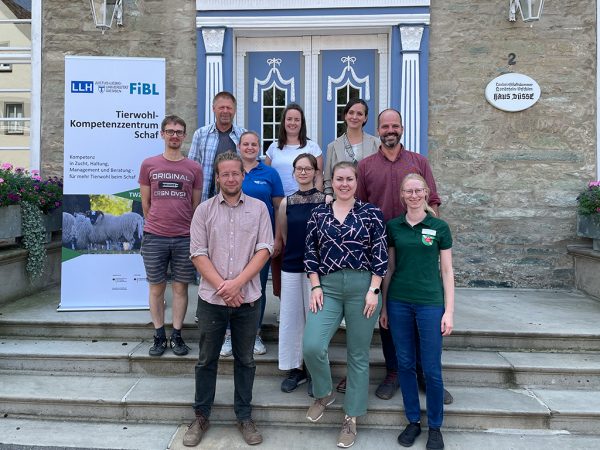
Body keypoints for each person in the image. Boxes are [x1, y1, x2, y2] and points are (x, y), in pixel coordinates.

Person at [356, 108, 453, 405]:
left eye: (394, 125)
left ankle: (425, 373)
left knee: (423, 312)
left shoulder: (418, 162)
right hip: (381, 248)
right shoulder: (365, 165)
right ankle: (394, 371)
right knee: (389, 312)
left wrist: (429, 234)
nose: (390, 130)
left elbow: (433, 202)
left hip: (417, 248)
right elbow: (359, 206)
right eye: (385, 126)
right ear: (378, 129)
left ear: (402, 128)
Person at [183, 151, 273, 447]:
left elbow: (264, 249)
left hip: (248, 300)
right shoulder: (203, 211)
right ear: (218, 177)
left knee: (245, 360)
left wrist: (238, 284)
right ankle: (200, 416)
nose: (231, 178)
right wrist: (225, 286)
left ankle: (244, 416)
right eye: (225, 174)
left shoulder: (259, 209)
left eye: (236, 173)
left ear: (242, 176)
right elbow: (198, 253)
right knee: (206, 359)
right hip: (212, 300)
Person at [303, 161, 388, 448]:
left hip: (363, 287)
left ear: (356, 182)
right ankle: (324, 393)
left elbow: (380, 254)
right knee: (312, 345)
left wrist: (374, 290)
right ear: (331, 181)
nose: (344, 184)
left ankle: (351, 418)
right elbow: (310, 252)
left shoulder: (371, 213)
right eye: (339, 179)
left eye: (349, 179)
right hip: (327, 287)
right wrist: (315, 284)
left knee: (358, 354)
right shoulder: (319, 214)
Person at [380, 173, 454, 450]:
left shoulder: (439, 226)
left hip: (430, 303)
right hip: (399, 302)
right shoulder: (394, 226)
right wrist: (385, 306)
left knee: (432, 368)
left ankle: (435, 426)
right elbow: (389, 269)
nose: (414, 195)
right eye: (408, 191)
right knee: (406, 364)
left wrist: (449, 311)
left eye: (418, 190)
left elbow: (447, 271)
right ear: (402, 195)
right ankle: (413, 420)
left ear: (426, 193)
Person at [138, 115, 202, 357]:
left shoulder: (193, 168)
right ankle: (158, 335)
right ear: (162, 134)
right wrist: (158, 223)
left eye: (178, 131)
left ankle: (176, 335)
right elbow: (146, 203)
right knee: (156, 288)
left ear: (184, 136)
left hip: (184, 237)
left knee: (180, 288)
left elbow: (195, 205)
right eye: (170, 131)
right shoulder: (149, 165)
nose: (174, 135)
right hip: (155, 235)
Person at [277, 153, 325, 394]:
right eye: (299, 168)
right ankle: (295, 369)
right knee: (291, 319)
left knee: (315, 321)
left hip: (317, 269)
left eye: (308, 168)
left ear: (316, 172)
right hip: (292, 266)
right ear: (294, 172)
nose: (304, 172)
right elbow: (284, 236)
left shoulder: (326, 201)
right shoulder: (287, 203)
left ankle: (316, 370)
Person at [266, 103, 323, 300]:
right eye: (289, 119)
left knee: (309, 249)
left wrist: (318, 205)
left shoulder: (312, 146)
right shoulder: (273, 148)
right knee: (280, 250)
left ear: (302, 123)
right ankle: (284, 299)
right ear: (283, 122)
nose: (292, 122)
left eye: (296, 119)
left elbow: (319, 178)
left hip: (306, 205)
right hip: (280, 205)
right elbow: (268, 177)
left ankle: (313, 298)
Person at [240, 131, 284, 355]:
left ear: (259, 148)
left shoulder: (270, 173)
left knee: (257, 286)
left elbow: (278, 208)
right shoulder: (231, 170)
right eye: (246, 144)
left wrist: (277, 238)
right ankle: (231, 335)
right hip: (234, 240)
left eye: (254, 144)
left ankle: (255, 334)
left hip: (262, 239)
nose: (250, 147)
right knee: (234, 282)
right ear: (239, 147)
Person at [188, 91, 246, 203]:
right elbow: (192, 169)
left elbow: (249, 168)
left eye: (229, 108)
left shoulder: (243, 135)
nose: (225, 111)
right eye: (221, 107)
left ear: (234, 110)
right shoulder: (200, 134)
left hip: (237, 199)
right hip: (206, 200)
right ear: (213, 109)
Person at [323, 98, 379, 203]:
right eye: (351, 112)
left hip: (369, 201)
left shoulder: (376, 143)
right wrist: (329, 197)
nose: (354, 117)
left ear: (365, 118)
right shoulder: (332, 146)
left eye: (359, 114)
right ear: (345, 116)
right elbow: (327, 178)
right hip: (340, 202)